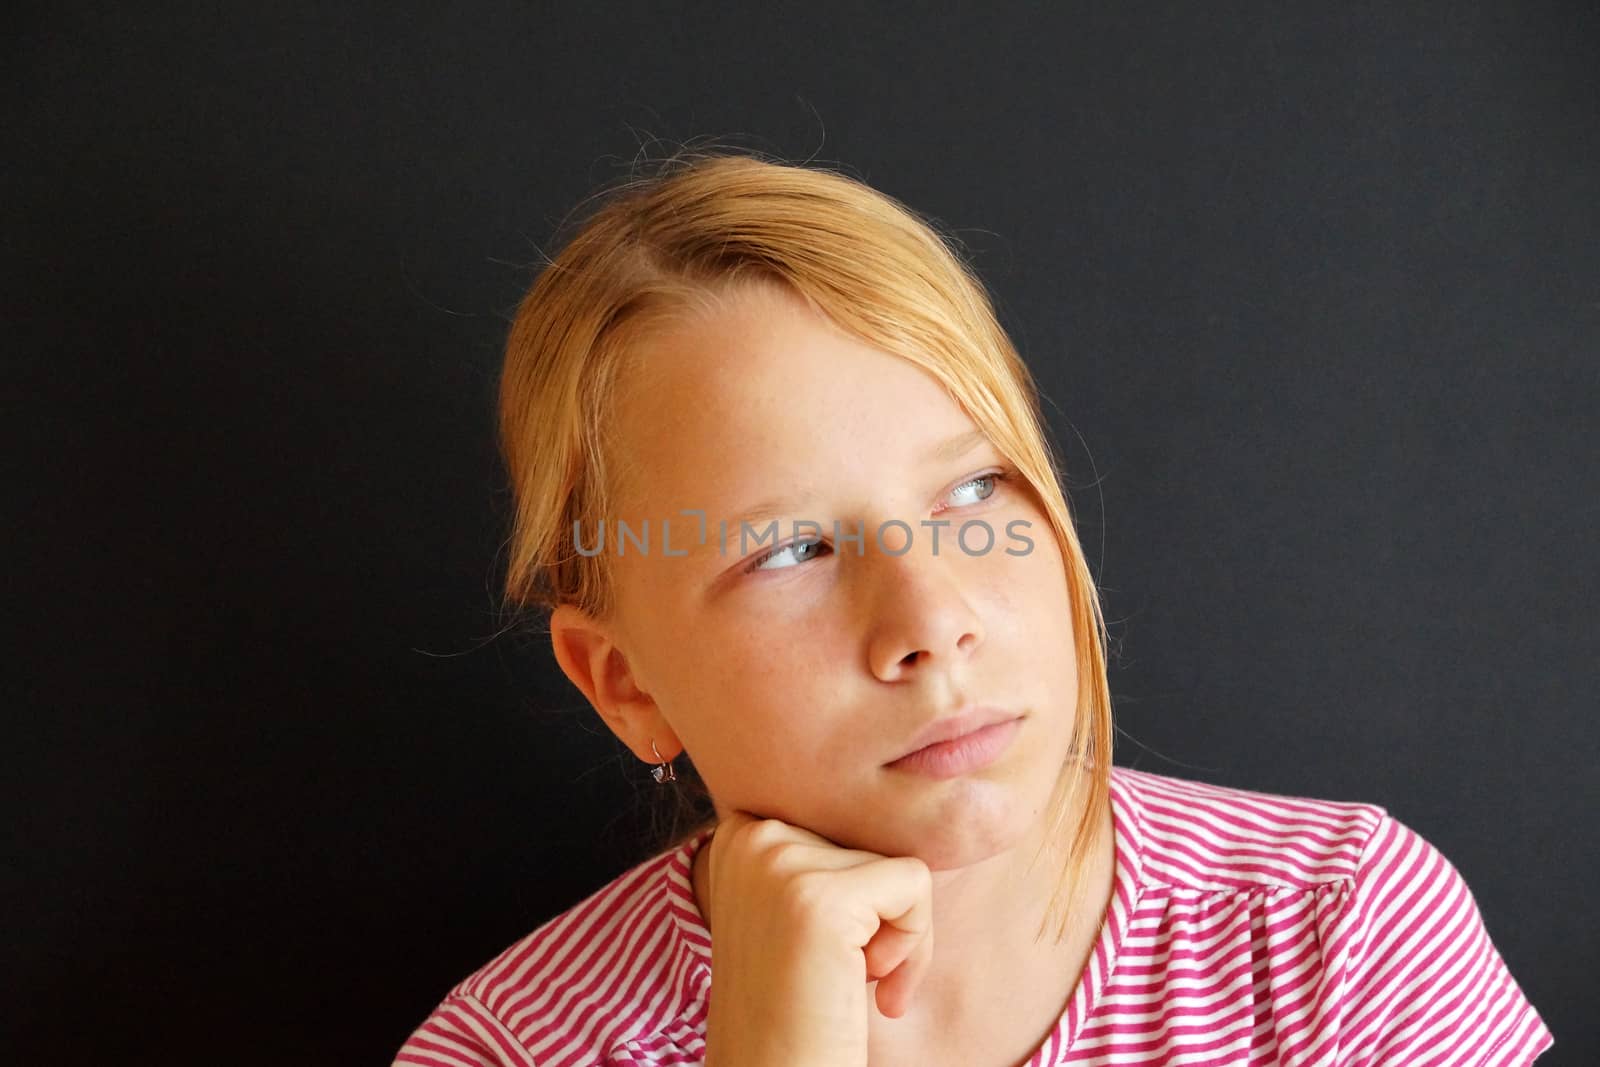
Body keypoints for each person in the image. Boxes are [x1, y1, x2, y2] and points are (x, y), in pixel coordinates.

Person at [391, 148, 1554, 1066]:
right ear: (627, 685)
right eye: (790, 548)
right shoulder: (515, 1046)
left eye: (974, 490)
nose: (931, 617)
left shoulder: (1333, 927)